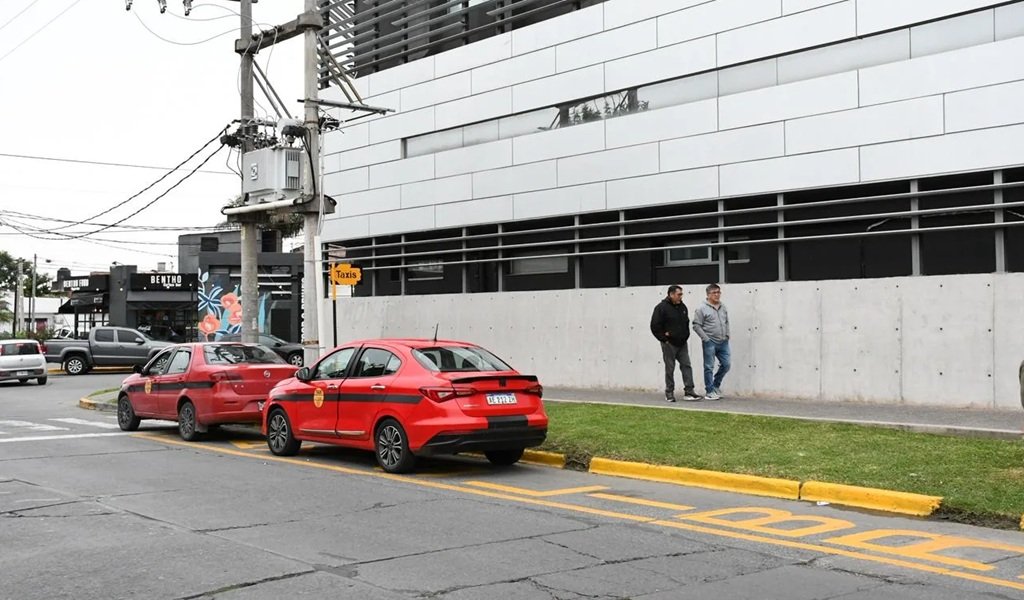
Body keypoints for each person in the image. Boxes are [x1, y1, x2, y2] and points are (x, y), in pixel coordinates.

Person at [650, 285, 700, 402]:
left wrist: (685, 336)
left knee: (686, 366)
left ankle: (689, 391)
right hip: (669, 344)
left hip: (682, 343)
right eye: (679, 294)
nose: (681, 296)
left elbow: (686, 322)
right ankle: (669, 393)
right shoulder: (661, 308)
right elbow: (655, 326)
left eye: (681, 294)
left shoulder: (682, 307)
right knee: (670, 368)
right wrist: (664, 339)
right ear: (671, 294)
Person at [693, 283, 730, 400]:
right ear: (708, 295)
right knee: (709, 367)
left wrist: (727, 334)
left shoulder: (723, 307)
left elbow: (726, 322)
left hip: (723, 342)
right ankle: (709, 391)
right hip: (710, 342)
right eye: (714, 292)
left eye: (718, 292)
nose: (717, 295)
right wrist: (706, 339)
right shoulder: (701, 308)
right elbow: (696, 325)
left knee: (726, 365)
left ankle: (715, 386)